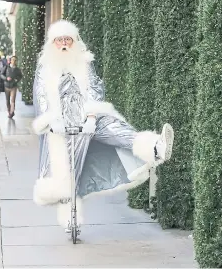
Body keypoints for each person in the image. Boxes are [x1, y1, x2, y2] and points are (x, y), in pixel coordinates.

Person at [32, 20, 174, 229]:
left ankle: (155, 147)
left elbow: (95, 89)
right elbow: (41, 96)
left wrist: (90, 116)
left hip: (87, 117)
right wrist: (50, 121)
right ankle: (70, 217)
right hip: (60, 124)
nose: (64, 43)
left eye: (67, 39)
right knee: (67, 169)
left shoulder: (84, 62)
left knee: (113, 126)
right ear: (53, 43)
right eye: (59, 40)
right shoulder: (45, 68)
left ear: (73, 41)